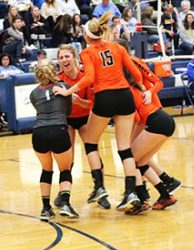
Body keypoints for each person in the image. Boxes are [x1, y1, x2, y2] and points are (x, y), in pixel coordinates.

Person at [51, 13, 150, 213]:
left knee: (90, 144)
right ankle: (130, 192)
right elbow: (136, 73)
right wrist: (142, 88)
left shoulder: (88, 52)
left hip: (105, 97)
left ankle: (99, 187)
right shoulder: (117, 47)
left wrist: (68, 91)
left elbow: (89, 78)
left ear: (87, 36)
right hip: (125, 96)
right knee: (125, 148)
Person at [115, 39, 180, 210]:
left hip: (156, 121)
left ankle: (142, 199)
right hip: (162, 120)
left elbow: (135, 114)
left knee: (132, 160)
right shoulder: (133, 86)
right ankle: (166, 194)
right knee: (141, 162)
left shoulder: (127, 89)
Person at [56, 44, 110, 209]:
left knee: (92, 150)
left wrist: (78, 101)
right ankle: (63, 193)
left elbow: (92, 105)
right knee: (67, 157)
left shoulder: (84, 77)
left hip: (86, 118)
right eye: (61, 57)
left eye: (67, 56)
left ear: (74, 58)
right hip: (67, 119)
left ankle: (100, 190)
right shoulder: (57, 79)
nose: (64, 60)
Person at [30, 61, 78, 220]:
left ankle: (45, 209)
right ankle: (65, 203)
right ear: (54, 72)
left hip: (39, 132)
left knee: (46, 170)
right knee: (65, 170)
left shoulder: (34, 93)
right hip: (58, 129)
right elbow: (68, 111)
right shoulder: (63, 86)